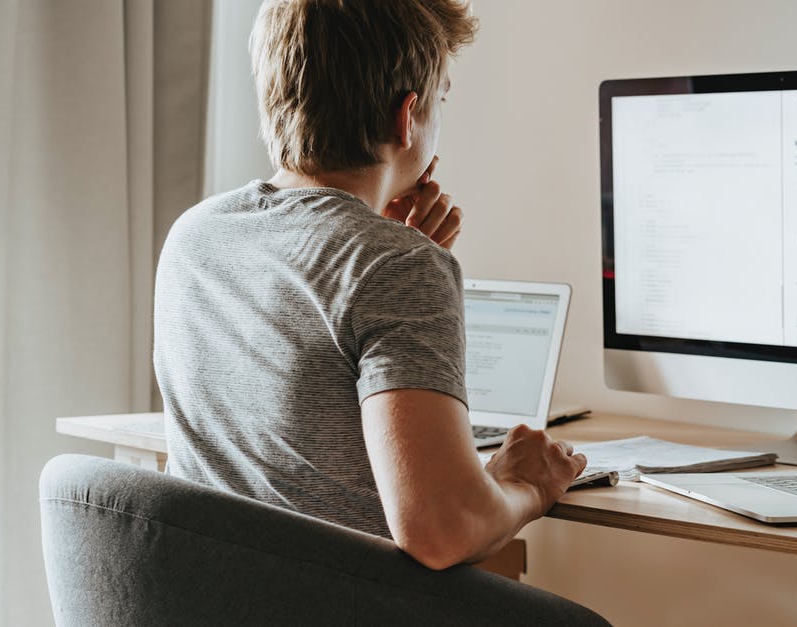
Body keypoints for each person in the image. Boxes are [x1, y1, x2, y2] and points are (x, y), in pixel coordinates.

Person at [154, 2, 604, 621]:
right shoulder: (395, 265)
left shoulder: (195, 235)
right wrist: (526, 485)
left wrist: (390, 248)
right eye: (441, 97)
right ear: (409, 116)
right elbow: (441, 530)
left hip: (218, 600)